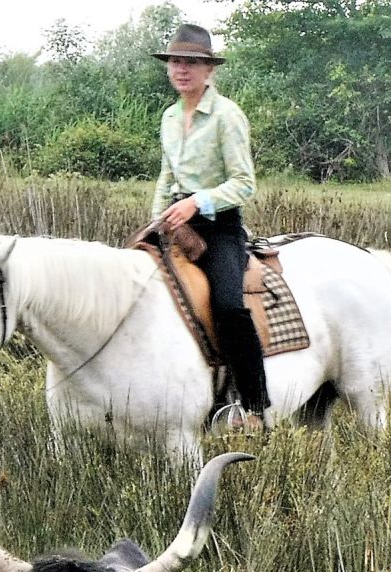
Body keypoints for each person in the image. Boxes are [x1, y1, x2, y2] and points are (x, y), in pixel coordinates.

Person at [151, 22, 268, 434]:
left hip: (219, 227)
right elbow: (167, 175)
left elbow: (244, 183)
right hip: (174, 224)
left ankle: (254, 406)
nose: (182, 69)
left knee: (227, 306)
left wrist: (195, 202)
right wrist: (158, 219)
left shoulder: (227, 116)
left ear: (209, 70)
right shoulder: (168, 117)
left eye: (192, 63)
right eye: (176, 62)